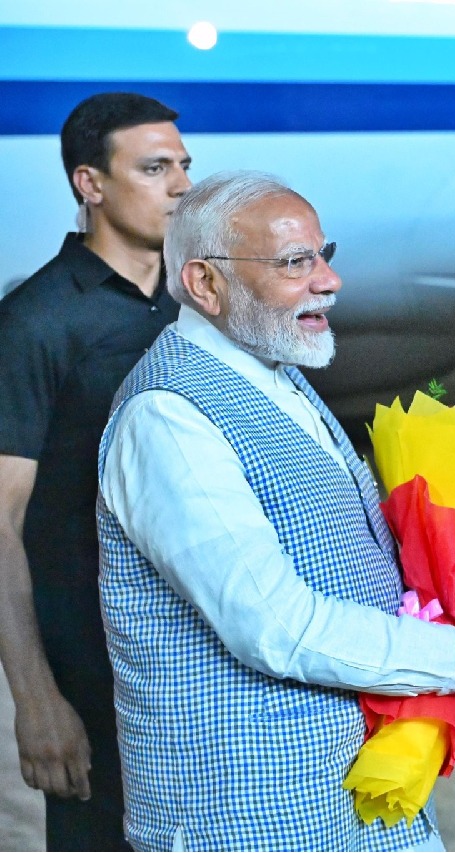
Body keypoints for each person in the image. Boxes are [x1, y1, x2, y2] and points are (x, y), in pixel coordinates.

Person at [95, 171, 455, 851]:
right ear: (204, 283)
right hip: (249, 823)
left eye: (323, 254)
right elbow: (277, 627)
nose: (330, 281)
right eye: (294, 262)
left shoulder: (273, 370)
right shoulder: (168, 418)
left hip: (354, 802)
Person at [0, 92, 191, 851]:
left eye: (184, 166)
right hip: (92, 669)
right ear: (91, 183)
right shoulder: (36, 320)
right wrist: (35, 698)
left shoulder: (196, 305)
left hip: (199, 665)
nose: (182, 186)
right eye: (155, 168)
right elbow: (0, 522)